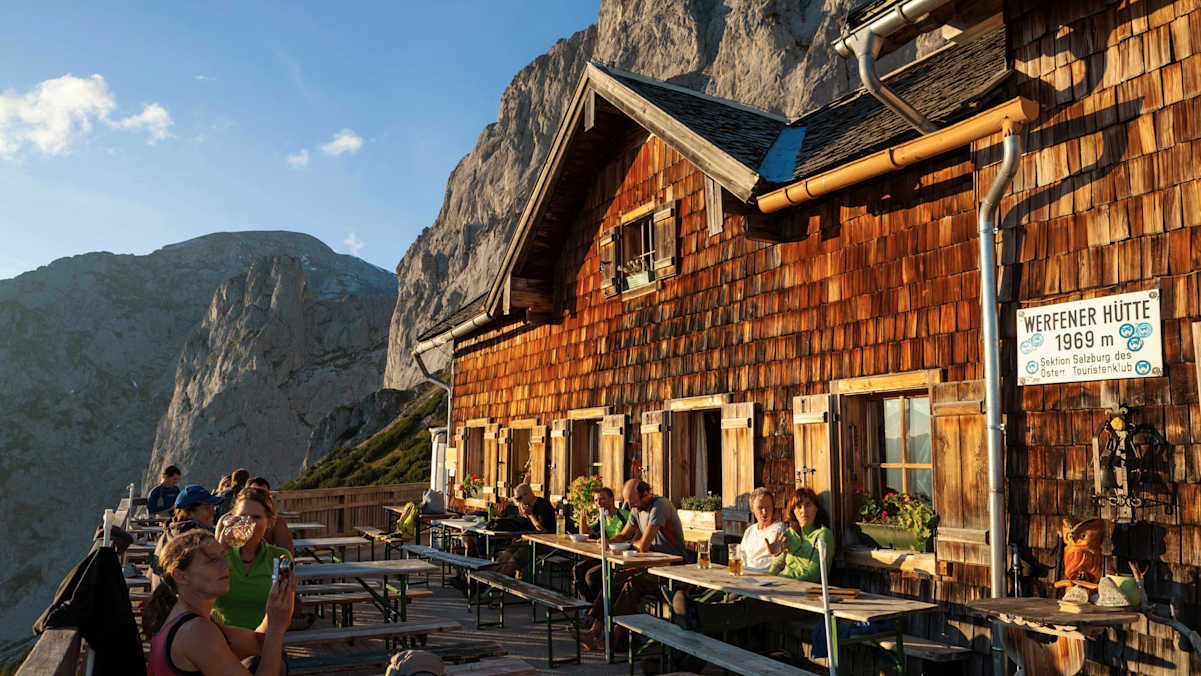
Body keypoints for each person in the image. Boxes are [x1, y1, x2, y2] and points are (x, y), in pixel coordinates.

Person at [147, 529, 296, 675]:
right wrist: (276, 628)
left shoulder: (189, 620)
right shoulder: (197, 632)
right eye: (212, 560)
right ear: (181, 576)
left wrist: (278, 605)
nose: (228, 565)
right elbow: (269, 641)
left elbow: (259, 643)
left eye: (223, 556)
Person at [578, 479, 683, 650]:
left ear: (646, 494)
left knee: (632, 585)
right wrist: (608, 541)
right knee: (613, 578)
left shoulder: (660, 506)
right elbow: (624, 534)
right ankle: (594, 631)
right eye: (627, 501)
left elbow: (643, 546)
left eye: (633, 501)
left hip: (672, 568)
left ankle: (613, 638)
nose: (630, 506)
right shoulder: (636, 508)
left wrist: (629, 543)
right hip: (650, 564)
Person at [212, 488, 293, 629]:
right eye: (242, 516)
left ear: (269, 522)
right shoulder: (218, 555)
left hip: (264, 637)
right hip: (220, 637)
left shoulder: (278, 557)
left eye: (256, 517)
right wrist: (220, 550)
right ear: (233, 519)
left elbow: (285, 612)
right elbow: (199, 597)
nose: (248, 522)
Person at [150, 485, 224, 593]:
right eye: (207, 508)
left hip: (166, 600)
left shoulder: (170, 533)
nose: (213, 512)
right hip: (183, 601)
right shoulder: (193, 541)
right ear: (188, 513)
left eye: (213, 507)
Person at [767, 487, 834, 583]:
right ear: (793, 511)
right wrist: (768, 581)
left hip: (804, 588)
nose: (804, 511)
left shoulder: (823, 535)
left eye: (808, 505)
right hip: (781, 585)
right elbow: (777, 564)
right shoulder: (790, 533)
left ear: (816, 508)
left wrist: (788, 585)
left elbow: (815, 573)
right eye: (799, 507)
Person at [572, 486, 628, 600]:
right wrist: (583, 518)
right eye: (596, 500)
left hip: (620, 558)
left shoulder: (624, 515)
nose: (598, 503)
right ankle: (588, 605)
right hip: (606, 555)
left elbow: (628, 535)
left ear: (612, 499)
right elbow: (585, 533)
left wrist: (609, 541)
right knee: (577, 569)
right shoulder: (602, 517)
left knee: (591, 575)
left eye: (602, 499)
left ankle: (600, 607)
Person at [491, 483, 555, 576]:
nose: (518, 502)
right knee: (501, 559)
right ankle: (489, 580)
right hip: (526, 540)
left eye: (519, 498)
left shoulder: (543, 505)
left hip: (541, 543)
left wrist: (530, 515)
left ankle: (497, 582)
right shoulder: (526, 506)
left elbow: (542, 530)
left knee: (512, 563)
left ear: (528, 494)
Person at [739, 487, 788, 573]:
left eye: (768, 507)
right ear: (752, 509)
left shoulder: (780, 528)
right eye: (760, 508)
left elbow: (781, 560)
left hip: (766, 576)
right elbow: (741, 557)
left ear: (773, 507)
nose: (764, 512)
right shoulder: (749, 531)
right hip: (746, 575)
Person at [246, 477, 294, 556]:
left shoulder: (276, 522)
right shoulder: (232, 520)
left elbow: (287, 554)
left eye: (264, 495)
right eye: (254, 494)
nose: (259, 498)